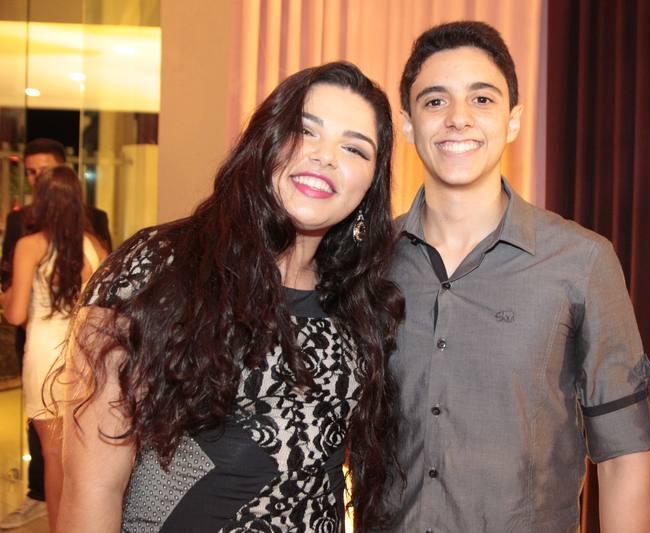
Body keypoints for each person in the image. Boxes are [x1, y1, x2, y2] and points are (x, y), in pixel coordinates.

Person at [57, 61, 404, 532]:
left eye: (354, 148)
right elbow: (91, 488)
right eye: (305, 130)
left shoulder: (357, 301)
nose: (325, 157)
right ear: (265, 140)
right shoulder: (161, 268)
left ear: (370, 183)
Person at [386, 21, 650, 532]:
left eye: (482, 99)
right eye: (435, 101)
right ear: (407, 124)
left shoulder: (582, 262)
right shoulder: (367, 263)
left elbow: (625, 460)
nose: (458, 118)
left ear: (513, 120)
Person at [0, 138, 111, 531]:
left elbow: (16, 314)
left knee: (52, 455)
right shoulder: (94, 245)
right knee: (81, 456)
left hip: (46, 351)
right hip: (84, 355)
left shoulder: (30, 245)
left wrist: (7, 296)